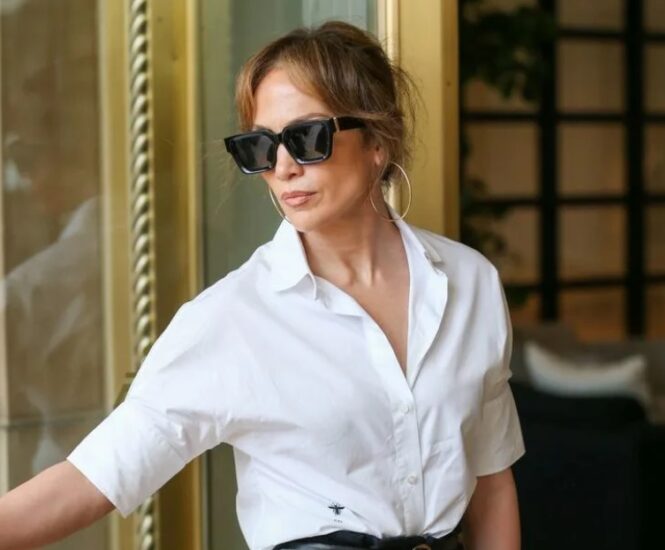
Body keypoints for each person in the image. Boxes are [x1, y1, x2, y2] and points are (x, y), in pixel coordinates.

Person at [0, 21, 525, 550]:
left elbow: (491, 482)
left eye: (307, 138)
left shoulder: (470, 282)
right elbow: (95, 478)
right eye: (259, 147)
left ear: (377, 141)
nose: (282, 166)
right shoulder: (232, 317)